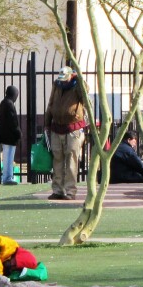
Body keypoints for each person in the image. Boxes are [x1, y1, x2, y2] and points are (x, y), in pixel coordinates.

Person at [44, 66, 87, 200]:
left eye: (65, 78)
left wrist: (80, 80)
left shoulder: (77, 85)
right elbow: (51, 103)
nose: (62, 81)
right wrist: (47, 123)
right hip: (57, 127)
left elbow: (85, 97)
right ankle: (57, 190)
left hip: (73, 128)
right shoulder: (57, 85)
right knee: (57, 159)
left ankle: (70, 191)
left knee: (71, 160)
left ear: (71, 75)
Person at [0, 86, 21, 185]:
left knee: (7, 157)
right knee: (9, 158)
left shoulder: (3, 103)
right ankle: (7, 177)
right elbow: (13, 121)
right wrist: (18, 132)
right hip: (10, 136)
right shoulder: (9, 104)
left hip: (4, 134)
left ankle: (7, 176)